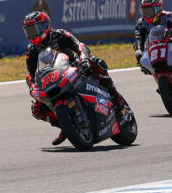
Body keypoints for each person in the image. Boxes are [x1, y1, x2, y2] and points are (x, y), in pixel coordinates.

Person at [23, 11, 128, 146]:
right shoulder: (31, 51)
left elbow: (79, 45)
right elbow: (31, 73)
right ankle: (65, 127)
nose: (32, 34)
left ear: (44, 26)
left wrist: (83, 58)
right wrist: (32, 86)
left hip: (74, 68)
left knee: (97, 63)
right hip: (52, 81)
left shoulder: (60, 34)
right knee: (37, 108)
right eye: (28, 31)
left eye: (34, 29)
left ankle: (118, 102)